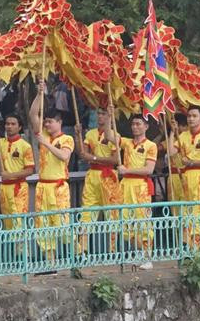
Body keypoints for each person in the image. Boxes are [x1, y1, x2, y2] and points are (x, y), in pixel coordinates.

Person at [28, 84, 74, 258]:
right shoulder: (44, 135)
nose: (47, 124)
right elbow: (33, 114)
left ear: (59, 122)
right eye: (45, 121)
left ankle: (74, 259)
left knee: (62, 225)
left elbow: (63, 156)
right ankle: (50, 263)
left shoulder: (67, 138)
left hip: (58, 187)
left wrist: (46, 144)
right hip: (43, 187)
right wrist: (40, 94)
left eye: (50, 121)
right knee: (44, 225)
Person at [108, 113, 158, 269]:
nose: (135, 127)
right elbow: (110, 135)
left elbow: (149, 169)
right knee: (128, 222)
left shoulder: (151, 145)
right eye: (133, 124)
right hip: (126, 186)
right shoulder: (127, 143)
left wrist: (127, 170)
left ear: (146, 127)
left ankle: (147, 257)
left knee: (143, 222)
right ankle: (137, 254)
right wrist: (110, 116)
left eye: (139, 124)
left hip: (140, 187)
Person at [168, 105, 200, 254]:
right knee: (190, 213)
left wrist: (192, 162)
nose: (190, 118)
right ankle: (199, 250)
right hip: (187, 178)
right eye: (189, 116)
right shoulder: (182, 136)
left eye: (194, 116)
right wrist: (172, 131)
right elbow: (171, 152)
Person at [76, 106, 120, 252]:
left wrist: (94, 158)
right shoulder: (90, 134)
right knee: (87, 211)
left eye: (104, 114)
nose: (100, 116)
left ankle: (113, 251)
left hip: (108, 176)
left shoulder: (115, 136)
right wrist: (78, 135)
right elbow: (83, 153)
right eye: (99, 113)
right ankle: (82, 250)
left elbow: (115, 160)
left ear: (111, 116)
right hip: (92, 175)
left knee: (111, 213)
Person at [0, 114, 34, 229]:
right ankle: (11, 247)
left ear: (19, 127)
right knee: (7, 224)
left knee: (19, 223)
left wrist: (10, 175)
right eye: (7, 124)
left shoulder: (25, 146)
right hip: (4, 188)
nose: (9, 127)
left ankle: (22, 247)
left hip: (19, 188)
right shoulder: (0, 142)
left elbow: (30, 170)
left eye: (13, 124)